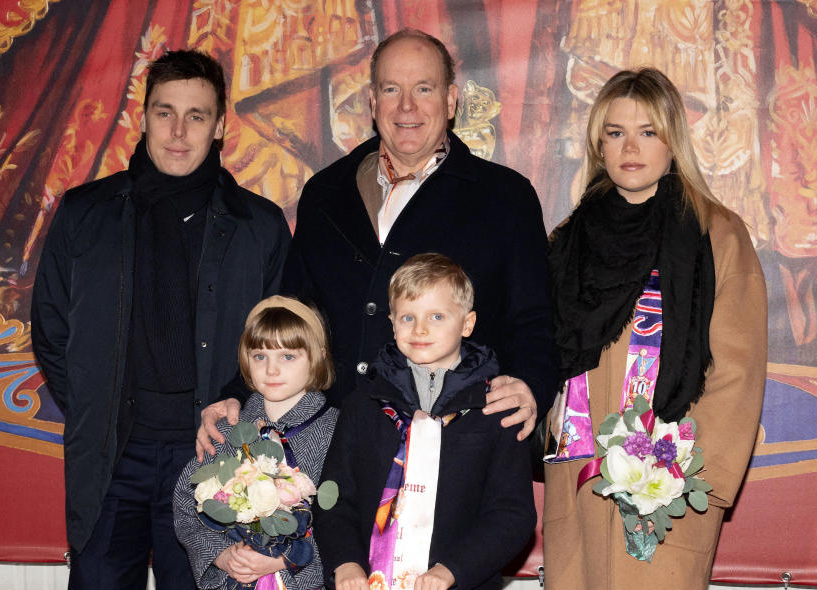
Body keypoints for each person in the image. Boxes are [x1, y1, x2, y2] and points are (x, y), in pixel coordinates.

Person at [195, 29, 557, 462]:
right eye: (391, 89)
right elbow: (292, 314)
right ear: (371, 101)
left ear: (451, 100)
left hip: (457, 450)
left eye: (423, 88)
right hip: (333, 450)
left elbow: (535, 321)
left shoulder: (506, 197)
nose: (407, 106)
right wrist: (239, 393)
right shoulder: (325, 193)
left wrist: (530, 384)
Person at [31, 50, 291, 590]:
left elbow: (280, 346)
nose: (178, 132)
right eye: (165, 113)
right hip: (110, 459)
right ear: (141, 118)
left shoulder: (261, 227)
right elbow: (50, 331)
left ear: (221, 124)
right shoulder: (84, 214)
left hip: (210, 463)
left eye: (196, 116)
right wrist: (101, 403)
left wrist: (230, 411)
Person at [541, 68, 767, 590]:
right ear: (599, 144)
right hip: (583, 475)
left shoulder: (716, 234)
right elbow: (548, 352)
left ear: (673, 140)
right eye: (615, 133)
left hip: (668, 483)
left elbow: (737, 372)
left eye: (647, 131)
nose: (630, 147)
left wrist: (681, 472)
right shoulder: (569, 238)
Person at [314, 253, 537, 590]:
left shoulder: (498, 409)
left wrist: (452, 569)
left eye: (437, 316)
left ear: (467, 323)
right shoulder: (361, 406)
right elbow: (334, 499)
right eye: (407, 317)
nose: (420, 328)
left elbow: (512, 516)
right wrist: (345, 563)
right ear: (391, 323)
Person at [174, 296, 337, 590]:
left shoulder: (338, 432)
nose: (272, 369)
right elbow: (186, 505)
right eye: (260, 356)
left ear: (319, 356)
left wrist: (287, 561)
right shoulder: (229, 433)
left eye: (288, 356)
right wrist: (220, 556)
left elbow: (352, 523)